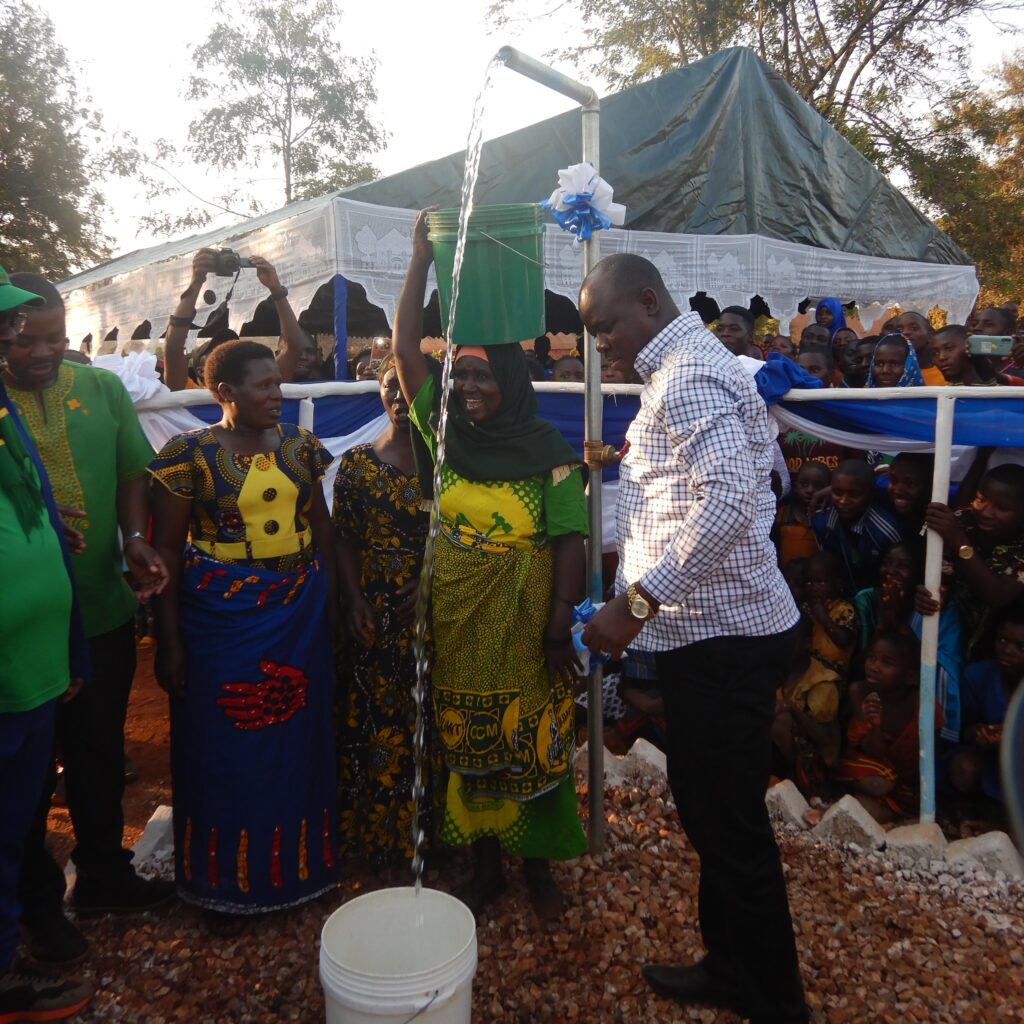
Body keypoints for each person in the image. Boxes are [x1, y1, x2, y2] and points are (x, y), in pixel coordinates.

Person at [578, 254, 807, 1023]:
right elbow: (700, 480)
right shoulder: (688, 366)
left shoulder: (688, 377)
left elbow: (731, 502)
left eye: (605, 326)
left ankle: (776, 1003)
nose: (600, 345)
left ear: (648, 301)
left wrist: (635, 604)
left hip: (724, 642)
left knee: (731, 827)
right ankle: (729, 967)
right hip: (708, 636)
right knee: (711, 812)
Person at [393, 210, 588, 922]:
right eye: (460, 375)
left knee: (530, 738)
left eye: (481, 376)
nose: (469, 388)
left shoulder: (549, 450)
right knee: (467, 734)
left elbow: (570, 539)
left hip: (530, 622)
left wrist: (559, 623)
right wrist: (419, 261)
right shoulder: (444, 438)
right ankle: (485, 868)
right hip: (458, 615)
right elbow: (406, 355)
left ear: (511, 376)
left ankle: (537, 869)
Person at [4, 273, 173, 943]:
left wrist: (132, 538)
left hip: (99, 605)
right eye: (25, 340)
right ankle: (36, 903)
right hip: (22, 628)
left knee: (99, 748)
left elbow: (133, 469)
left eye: (54, 338)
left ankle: (104, 873)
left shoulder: (101, 389)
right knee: (28, 769)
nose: (40, 353)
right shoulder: (0, 404)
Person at [149, 340, 338, 914]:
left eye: (278, 385)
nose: (276, 396)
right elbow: (167, 553)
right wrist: (170, 641)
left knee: (297, 741)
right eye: (263, 387)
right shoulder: (189, 455)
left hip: (298, 618)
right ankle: (223, 885)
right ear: (226, 394)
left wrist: (334, 603)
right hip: (220, 626)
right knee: (224, 743)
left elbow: (322, 532)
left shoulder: (303, 447)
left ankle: (300, 873)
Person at [0, 273, 94, 1020]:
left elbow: (42, 532)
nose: (19, 343)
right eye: (10, 331)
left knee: (13, 826)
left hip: (35, 669)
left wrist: (69, 652)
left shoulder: (4, 417)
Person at [331, 355, 443, 866]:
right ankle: (375, 838)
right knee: (373, 718)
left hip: (436, 612)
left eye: (408, 389)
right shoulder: (355, 464)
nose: (399, 399)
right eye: (388, 388)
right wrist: (353, 599)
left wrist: (430, 580)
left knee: (429, 718)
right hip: (373, 613)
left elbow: (468, 536)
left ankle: (431, 838)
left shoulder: (449, 463)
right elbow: (344, 540)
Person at [918, 464, 1024, 657]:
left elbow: (997, 595)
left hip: (1007, 654)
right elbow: (942, 578)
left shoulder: (956, 531)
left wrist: (959, 542)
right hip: (955, 637)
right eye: (980, 499)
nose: (985, 512)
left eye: (1001, 508)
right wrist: (930, 596)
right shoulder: (961, 521)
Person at [834, 631, 940, 823]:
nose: (874, 667)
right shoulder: (860, 692)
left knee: (888, 790)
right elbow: (870, 750)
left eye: (886, 663)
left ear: (910, 677)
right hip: (871, 768)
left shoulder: (924, 706)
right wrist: (874, 725)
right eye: (871, 658)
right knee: (878, 783)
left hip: (904, 782)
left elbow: (928, 761)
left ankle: (888, 813)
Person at [773, 552, 854, 799]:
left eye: (820, 582)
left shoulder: (842, 610)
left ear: (836, 583)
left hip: (832, 678)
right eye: (809, 582)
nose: (813, 587)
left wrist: (821, 614)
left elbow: (843, 639)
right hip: (805, 669)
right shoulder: (803, 610)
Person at [947, 602, 1024, 812]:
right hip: (990, 760)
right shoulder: (978, 676)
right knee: (963, 767)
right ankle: (977, 810)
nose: (1007, 650)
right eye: (1002, 640)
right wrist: (979, 734)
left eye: (1020, 646)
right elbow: (963, 728)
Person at [812, 460, 911, 594]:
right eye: (837, 492)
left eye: (854, 494)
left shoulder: (886, 532)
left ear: (870, 494)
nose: (843, 501)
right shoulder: (822, 523)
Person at [775, 461, 831, 567]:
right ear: (795, 486)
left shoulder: (831, 516)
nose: (810, 490)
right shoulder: (782, 514)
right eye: (804, 484)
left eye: (818, 486)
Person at [932, 325, 999, 386]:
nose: (941, 357)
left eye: (949, 348)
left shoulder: (1001, 392)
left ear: (969, 346)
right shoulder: (940, 395)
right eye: (935, 353)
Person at [894, 312, 945, 385]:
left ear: (930, 335)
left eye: (914, 328)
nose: (905, 332)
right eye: (900, 330)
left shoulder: (946, 373)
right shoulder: (892, 375)